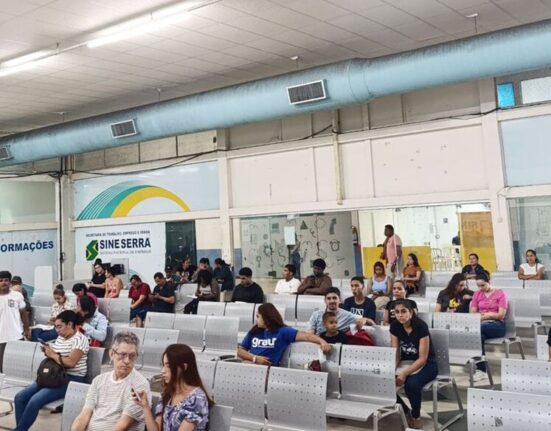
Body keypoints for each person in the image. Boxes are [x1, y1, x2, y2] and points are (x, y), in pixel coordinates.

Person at [16, 310, 89, 431]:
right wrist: (48, 350)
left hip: (71, 379)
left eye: (60, 327)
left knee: (35, 401)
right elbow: (57, 354)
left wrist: (53, 355)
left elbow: (71, 362)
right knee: (20, 397)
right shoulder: (61, 338)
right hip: (54, 376)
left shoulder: (80, 339)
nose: (57, 330)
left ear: (70, 324)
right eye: (55, 327)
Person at [71, 331, 152, 431]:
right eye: (122, 354)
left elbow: (123, 425)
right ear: (112, 354)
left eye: (132, 356)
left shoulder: (139, 385)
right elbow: (84, 415)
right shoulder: (99, 380)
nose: (127, 361)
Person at [132, 344, 212, 431]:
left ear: (183, 367)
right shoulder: (167, 394)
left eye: (168, 366)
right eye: (163, 365)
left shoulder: (197, 398)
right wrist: (145, 406)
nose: (163, 371)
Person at [390, 299, 438, 429]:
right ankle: (406, 411)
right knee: (386, 382)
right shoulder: (394, 326)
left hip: (428, 364)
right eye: (397, 312)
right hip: (406, 362)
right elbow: (396, 353)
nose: (400, 315)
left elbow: (422, 359)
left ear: (411, 312)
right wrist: (391, 371)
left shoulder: (421, 326)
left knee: (411, 384)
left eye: (404, 311)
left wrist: (404, 374)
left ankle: (416, 416)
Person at [239, 303, 331, 366]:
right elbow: (240, 350)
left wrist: (322, 342)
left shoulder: (283, 331)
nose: (256, 319)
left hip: (269, 370)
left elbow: (307, 336)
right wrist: (254, 358)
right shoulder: (254, 331)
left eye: (258, 316)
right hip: (250, 365)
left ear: (266, 317)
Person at [470, 272, 508, 381]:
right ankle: (482, 370)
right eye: (478, 285)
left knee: (475, 331)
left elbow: (501, 315)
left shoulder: (500, 293)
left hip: (497, 325)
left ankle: (479, 368)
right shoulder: (477, 294)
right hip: (481, 324)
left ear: (489, 282)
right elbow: (473, 313)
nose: (480, 288)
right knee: (479, 336)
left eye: (483, 285)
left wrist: (486, 316)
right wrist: (489, 315)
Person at [0, 270, 30, 373]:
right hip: (1, 338)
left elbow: (23, 314)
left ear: (10, 282)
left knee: (18, 366)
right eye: (1, 280)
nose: (4, 283)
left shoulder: (17, 295)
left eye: (6, 280)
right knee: (2, 368)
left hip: (17, 336)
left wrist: (27, 329)